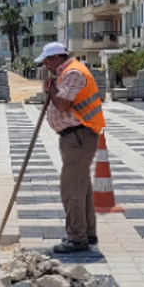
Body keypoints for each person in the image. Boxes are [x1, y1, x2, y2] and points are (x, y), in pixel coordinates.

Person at [37, 43, 106, 254]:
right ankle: (87, 232)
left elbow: (64, 104)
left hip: (79, 134)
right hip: (75, 135)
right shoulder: (67, 72)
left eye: (47, 61)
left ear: (57, 57)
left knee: (72, 188)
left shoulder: (74, 72)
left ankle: (77, 238)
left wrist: (52, 88)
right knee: (81, 187)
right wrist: (53, 85)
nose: (45, 65)